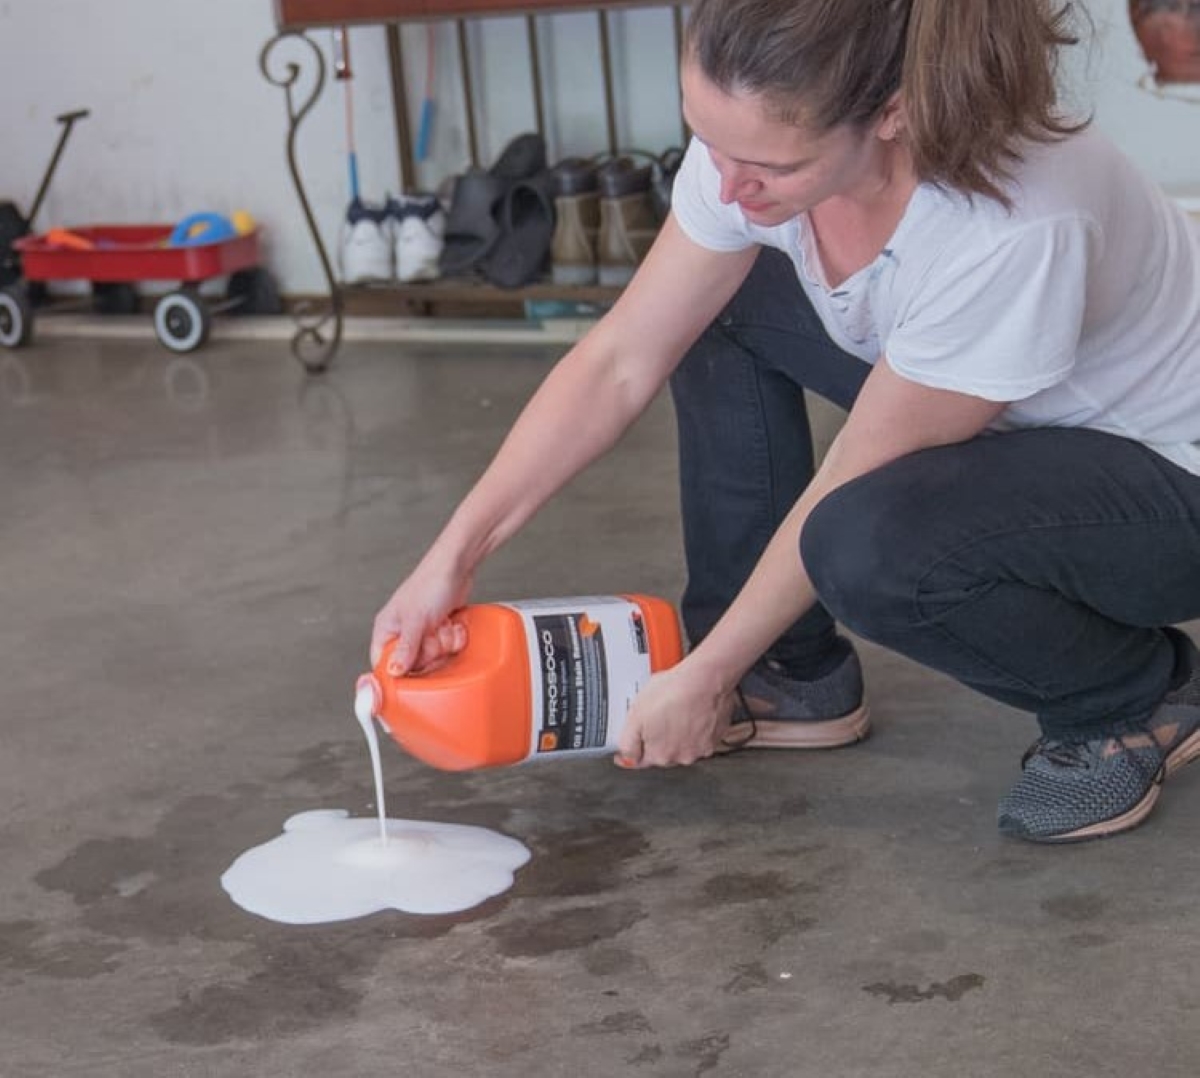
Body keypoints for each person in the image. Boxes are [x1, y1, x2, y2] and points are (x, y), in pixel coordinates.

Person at [370, 0, 1200, 844]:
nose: (726, 186)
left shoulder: (1011, 222)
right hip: (1015, 408)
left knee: (868, 543)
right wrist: (452, 557)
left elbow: (859, 473)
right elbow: (620, 357)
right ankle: (786, 675)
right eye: (710, 142)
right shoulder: (757, 143)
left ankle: (1133, 698)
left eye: (770, 165)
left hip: (1166, 476)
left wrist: (702, 672)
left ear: (892, 113)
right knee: (714, 305)